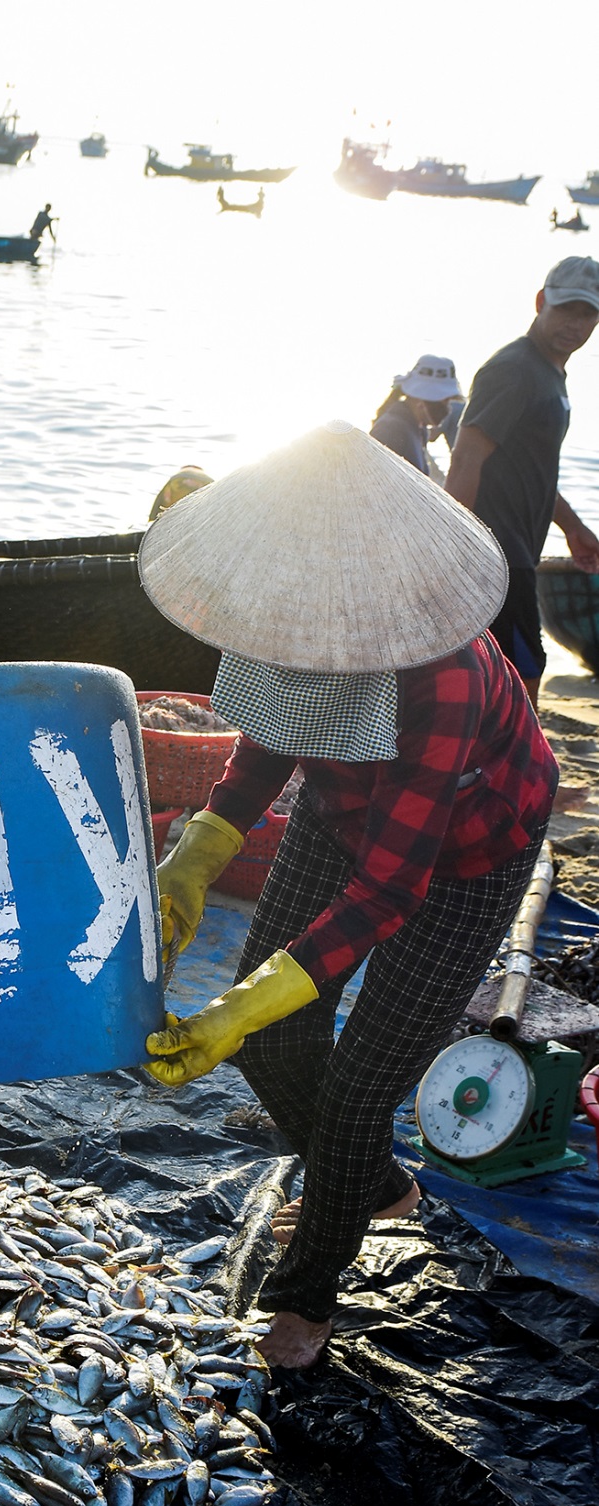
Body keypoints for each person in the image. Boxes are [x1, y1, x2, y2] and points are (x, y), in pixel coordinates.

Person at [137, 421, 558, 1370]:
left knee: (365, 1080)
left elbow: (385, 893)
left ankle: (312, 1287)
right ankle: (369, 1188)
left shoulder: (442, 676)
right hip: (339, 802)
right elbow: (270, 734)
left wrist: (234, 1006)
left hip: (464, 848)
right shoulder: (278, 615)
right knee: (278, 1046)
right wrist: (197, 854)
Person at [446, 257, 599, 706]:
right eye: (567, 309)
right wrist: (455, 548)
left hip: (520, 551)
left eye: (588, 314)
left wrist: (572, 527)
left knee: (512, 669)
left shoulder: (550, 372)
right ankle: (515, 773)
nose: (576, 324)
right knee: (521, 671)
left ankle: (502, 768)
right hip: (496, 552)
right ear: (540, 302)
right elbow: (466, 456)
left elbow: (532, 467)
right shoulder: (514, 369)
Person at [369, 355, 462, 474]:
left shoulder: (418, 427)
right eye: (444, 401)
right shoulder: (390, 429)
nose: (448, 408)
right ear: (421, 400)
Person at [148, 463, 213, 522]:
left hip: (179, 480)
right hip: (205, 481)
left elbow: (166, 496)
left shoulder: (180, 473)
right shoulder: (202, 473)